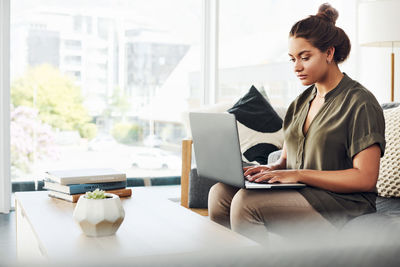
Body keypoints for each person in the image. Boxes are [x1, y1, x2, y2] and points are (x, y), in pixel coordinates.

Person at [208, 3, 385, 244]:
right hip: (303, 192)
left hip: (343, 203)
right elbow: (286, 161)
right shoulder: (301, 102)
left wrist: (298, 174)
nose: (296, 67)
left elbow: (364, 178)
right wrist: (271, 170)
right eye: (292, 59)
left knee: (246, 203)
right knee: (220, 193)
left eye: (305, 57)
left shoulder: (359, 102)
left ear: (329, 53)